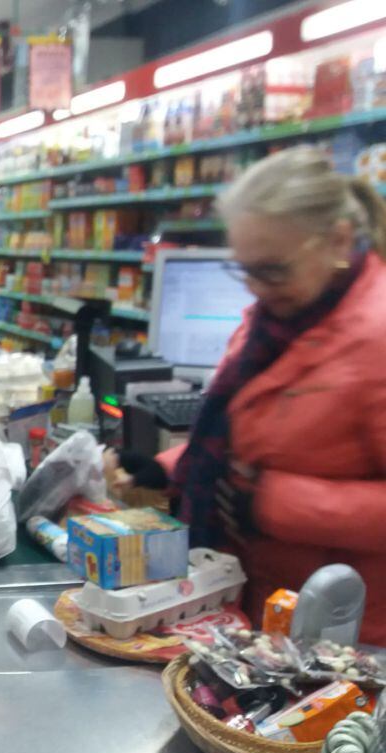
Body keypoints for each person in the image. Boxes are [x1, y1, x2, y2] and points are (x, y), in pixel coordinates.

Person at [119, 146, 386, 645]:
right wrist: (171, 466)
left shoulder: (376, 338)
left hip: (351, 636)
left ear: (338, 241)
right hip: (265, 608)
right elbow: (245, 438)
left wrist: (270, 503)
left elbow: (259, 480)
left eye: (273, 270)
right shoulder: (273, 319)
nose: (256, 288)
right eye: (244, 270)